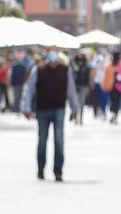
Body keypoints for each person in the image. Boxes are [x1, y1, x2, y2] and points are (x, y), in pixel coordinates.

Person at [21, 51, 81, 182]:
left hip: (59, 109)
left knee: (59, 140)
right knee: (42, 140)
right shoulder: (39, 70)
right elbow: (29, 89)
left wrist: (74, 109)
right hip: (42, 110)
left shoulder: (65, 70)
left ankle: (58, 170)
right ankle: (41, 168)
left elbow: (70, 90)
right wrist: (26, 107)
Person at [104, 51, 121, 124]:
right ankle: (115, 115)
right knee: (117, 101)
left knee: (113, 101)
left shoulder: (109, 65)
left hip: (112, 86)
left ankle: (113, 114)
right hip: (120, 87)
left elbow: (106, 76)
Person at [72, 53, 91, 126]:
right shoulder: (75, 66)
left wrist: (89, 86)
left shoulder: (86, 66)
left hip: (83, 86)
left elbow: (88, 77)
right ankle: (76, 118)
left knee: (82, 103)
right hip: (76, 86)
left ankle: (80, 118)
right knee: (76, 102)